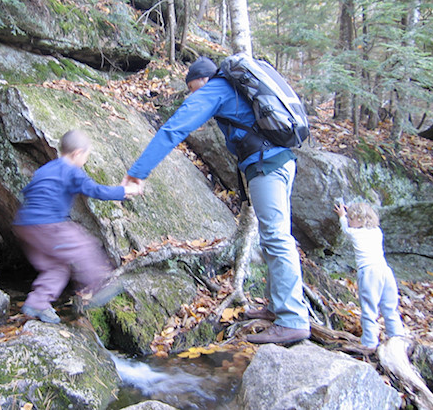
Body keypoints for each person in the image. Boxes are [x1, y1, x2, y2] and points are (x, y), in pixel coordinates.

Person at [121, 56, 311, 344]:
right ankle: (276, 307)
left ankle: (292, 319)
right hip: (279, 162)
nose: (193, 95)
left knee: (275, 237)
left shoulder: (216, 88)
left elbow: (175, 128)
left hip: (266, 166)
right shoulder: (235, 90)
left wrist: (138, 172)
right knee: (274, 235)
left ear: (204, 80)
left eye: (194, 88)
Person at [13, 129, 140, 324]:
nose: (85, 161)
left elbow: (29, 190)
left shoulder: (47, 168)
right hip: (47, 223)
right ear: (77, 154)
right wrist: (125, 190)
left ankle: (37, 302)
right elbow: (97, 191)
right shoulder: (72, 170)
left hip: (24, 225)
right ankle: (100, 284)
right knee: (83, 244)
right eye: (86, 156)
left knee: (57, 267)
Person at [334, 201, 405, 352]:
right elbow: (356, 223)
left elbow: (346, 229)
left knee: (369, 308)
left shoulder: (355, 232)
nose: (349, 220)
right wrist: (350, 213)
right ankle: (398, 338)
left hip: (369, 272)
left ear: (359, 219)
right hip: (385, 271)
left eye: (351, 218)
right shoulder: (377, 231)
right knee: (390, 307)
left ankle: (369, 342)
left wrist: (342, 216)